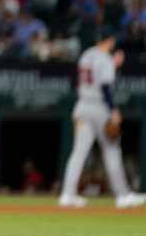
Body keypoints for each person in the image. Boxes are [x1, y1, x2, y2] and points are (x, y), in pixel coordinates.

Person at [59, 30, 146, 209]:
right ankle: (122, 195)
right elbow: (105, 86)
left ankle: (67, 194)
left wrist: (112, 64)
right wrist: (112, 109)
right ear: (110, 40)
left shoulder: (86, 55)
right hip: (99, 107)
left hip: (82, 105)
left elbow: (89, 78)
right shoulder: (105, 58)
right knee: (112, 150)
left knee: (78, 153)